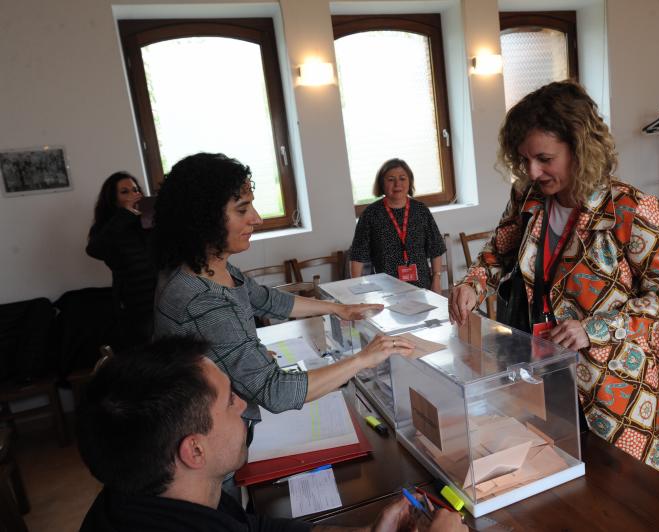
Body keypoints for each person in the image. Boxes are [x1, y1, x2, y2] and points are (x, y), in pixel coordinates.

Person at [448, 81, 659, 480]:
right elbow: (498, 252)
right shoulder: (528, 197)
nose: (533, 172)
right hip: (544, 371)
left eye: (544, 158)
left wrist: (594, 328)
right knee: (561, 472)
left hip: (614, 385)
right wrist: (473, 282)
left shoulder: (630, 208)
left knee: (626, 486)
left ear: (581, 149)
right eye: (524, 160)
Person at [77, 336, 465, 532]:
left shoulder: (159, 498)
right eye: (230, 401)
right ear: (193, 450)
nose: (244, 406)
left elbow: (261, 529)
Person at [152, 152, 415, 422]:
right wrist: (363, 359)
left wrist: (340, 309)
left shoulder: (211, 266)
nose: (257, 219)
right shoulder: (202, 300)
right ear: (203, 219)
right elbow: (275, 391)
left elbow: (268, 300)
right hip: (217, 431)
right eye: (242, 210)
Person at [349, 159, 447, 293]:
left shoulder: (420, 210)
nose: (397, 184)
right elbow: (357, 255)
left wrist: (436, 280)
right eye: (391, 179)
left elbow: (436, 248)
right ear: (382, 183)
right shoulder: (371, 214)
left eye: (402, 178)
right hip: (385, 290)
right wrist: (357, 288)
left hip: (422, 287)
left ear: (409, 182)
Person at [86, 171, 157, 348]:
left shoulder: (148, 220)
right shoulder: (107, 225)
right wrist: (125, 214)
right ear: (113, 198)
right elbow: (95, 250)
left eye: (135, 189)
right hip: (134, 299)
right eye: (125, 191)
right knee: (144, 349)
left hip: (161, 292)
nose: (133, 194)